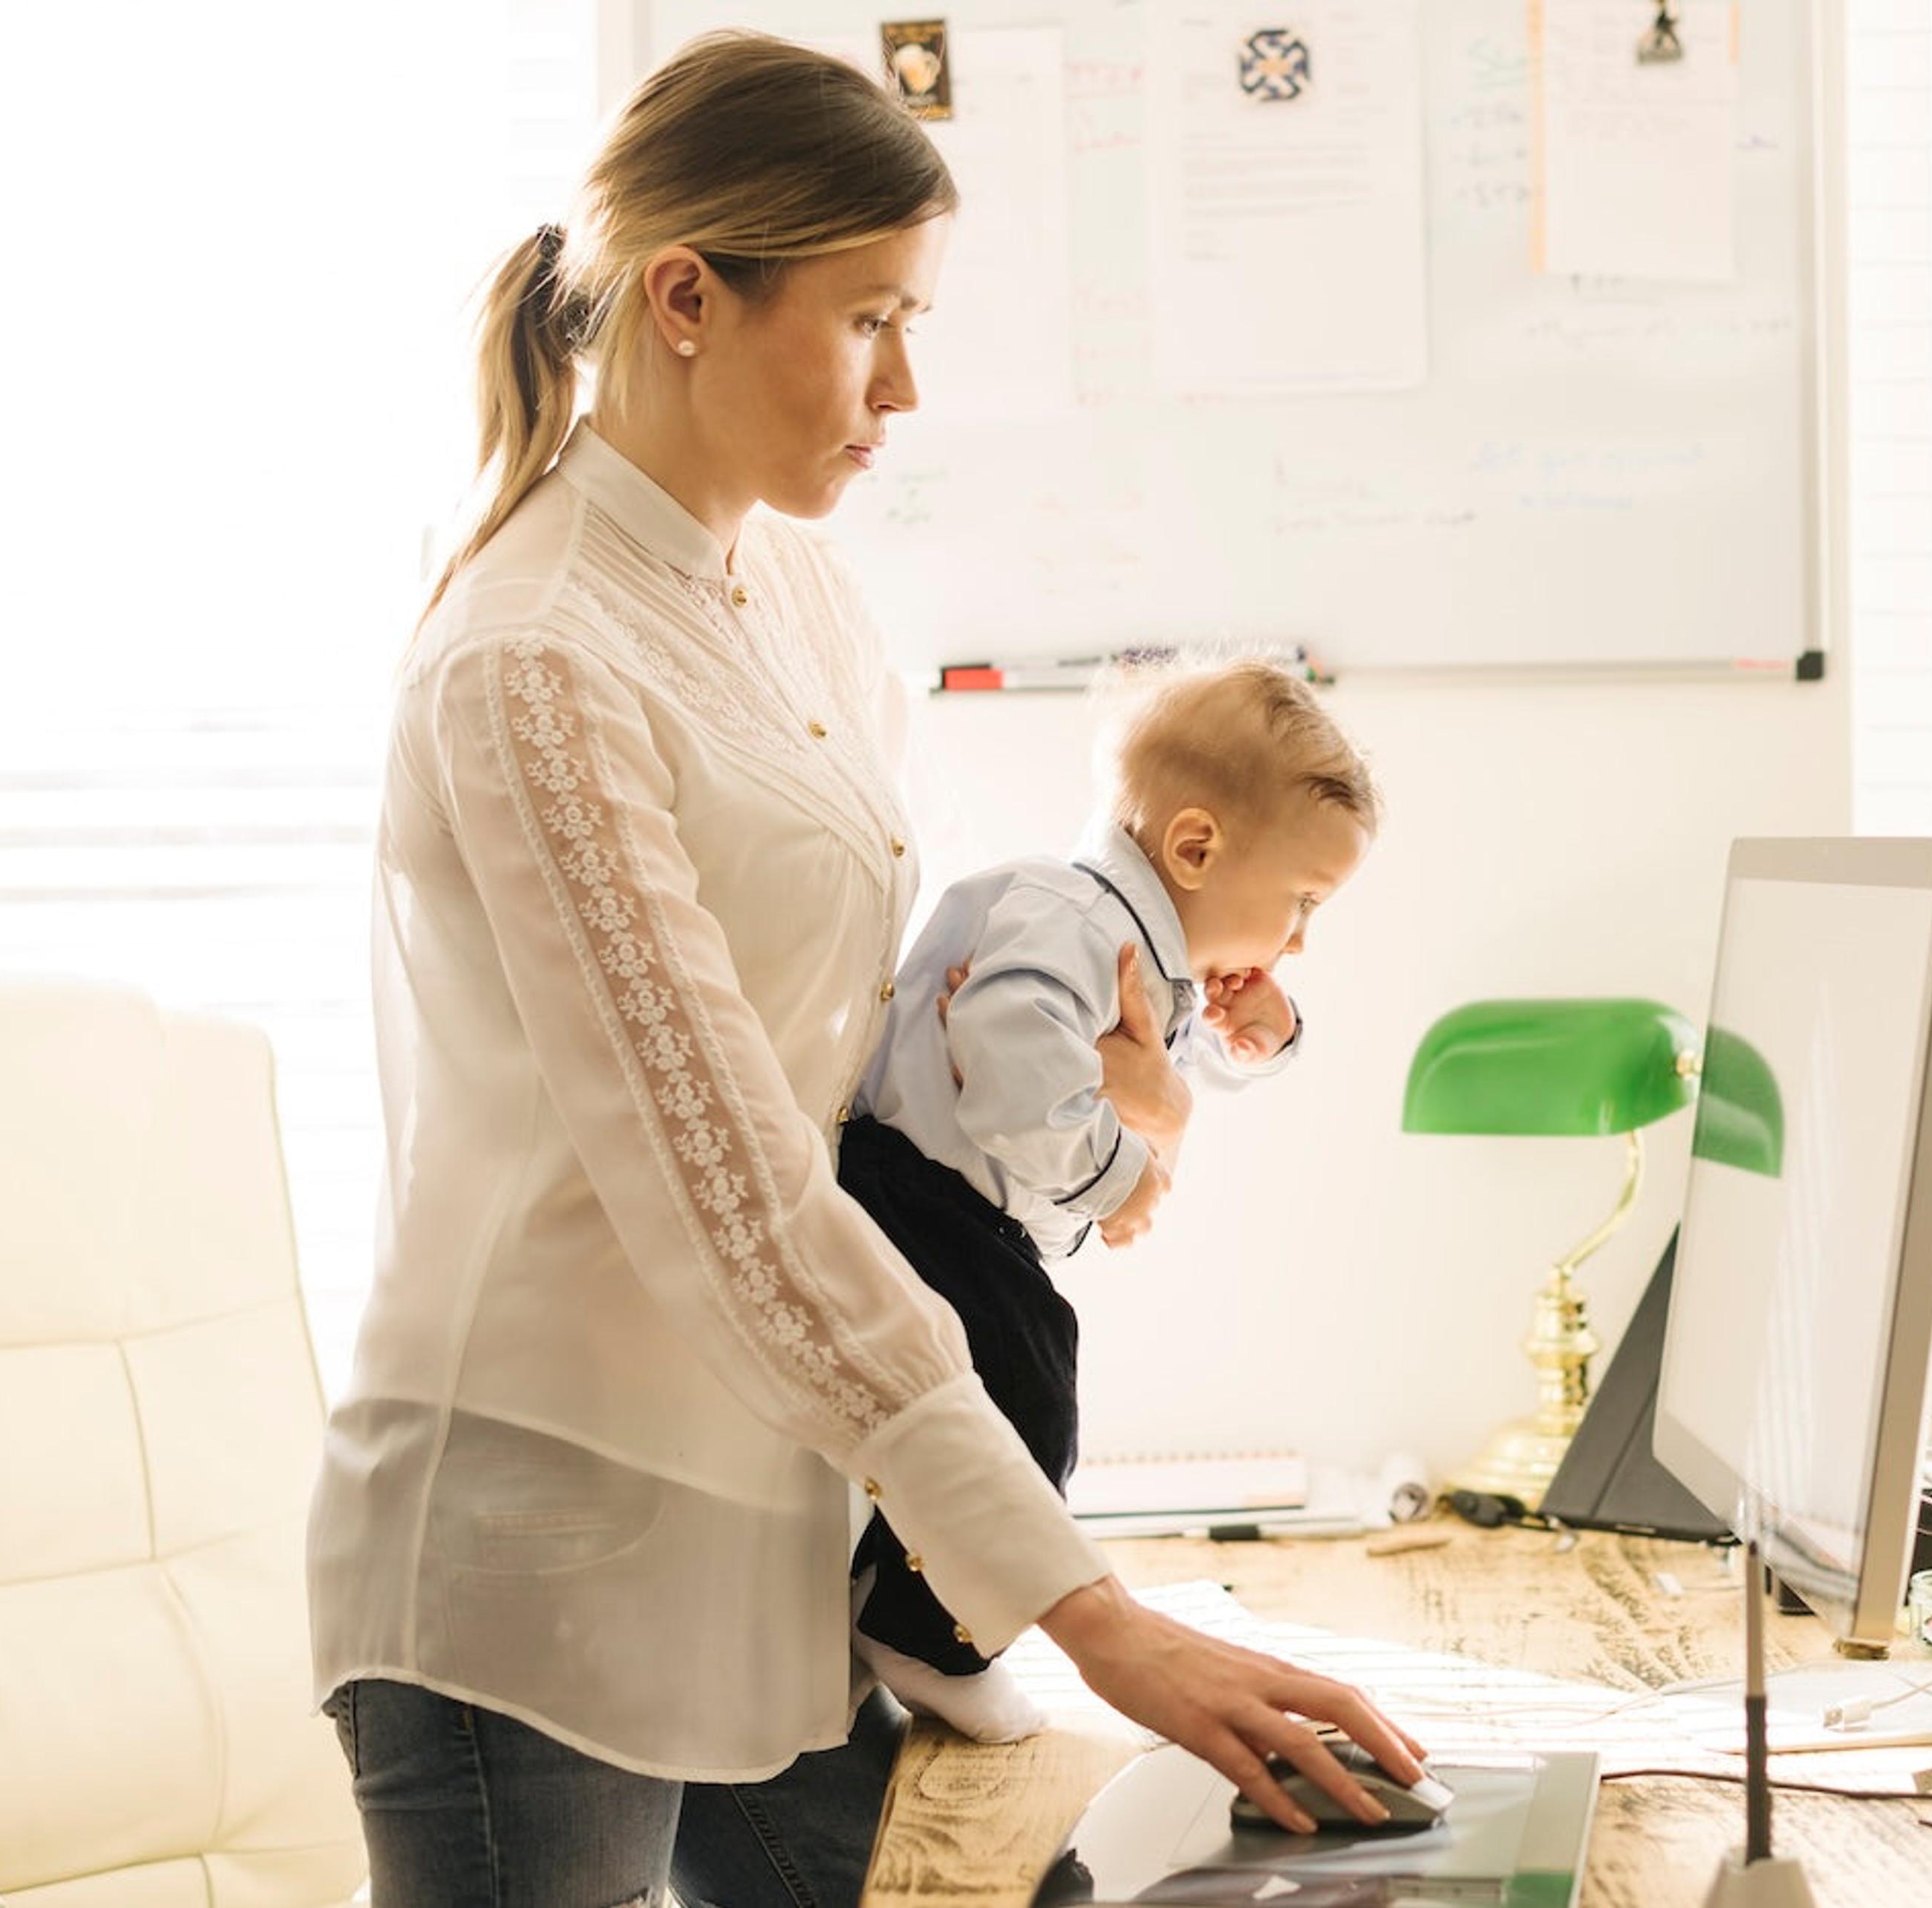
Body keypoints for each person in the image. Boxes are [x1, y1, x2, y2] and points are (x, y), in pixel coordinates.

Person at [303, 28, 1423, 1908]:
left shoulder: (795, 594)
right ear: (686, 300)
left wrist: (1127, 1048)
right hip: (537, 1557)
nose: (906, 384)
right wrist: (1088, 1610)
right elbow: (730, 1187)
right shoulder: (536, 660)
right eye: (871, 321)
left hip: (764, 1520)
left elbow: (858, 1038)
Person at [841, 660, 1378, 1743]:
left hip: (962, 1211)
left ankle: (906, 1599)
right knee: (1026, 1407)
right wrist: (1121, 1181)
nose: (1299, 941)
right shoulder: (1072, 917)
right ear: (1195, 849)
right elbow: (1014, 1066)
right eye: (1302, 903)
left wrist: (1257, 1037)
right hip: (918, 1196)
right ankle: (928, 1636)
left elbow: (1145, 1071)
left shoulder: (1130, 943)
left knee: (999, 1399)